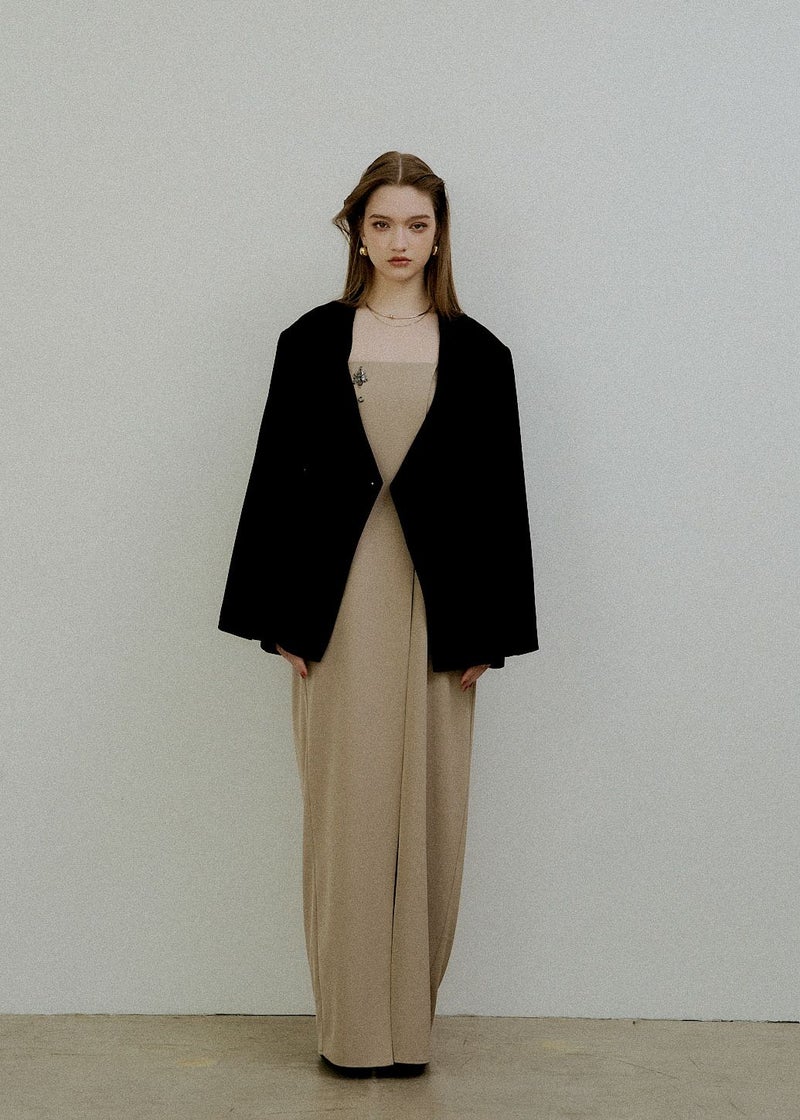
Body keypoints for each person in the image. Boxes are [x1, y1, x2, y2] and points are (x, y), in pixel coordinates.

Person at [219, 151, 538, 1076]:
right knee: (348, 818)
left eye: (418, 226)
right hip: (336, 603)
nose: (401, 242)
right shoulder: (310, 341)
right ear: (358, 233)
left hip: (446, 609)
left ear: (440, 237)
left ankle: (408, 1035)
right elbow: (275, 481)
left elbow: (500, 498)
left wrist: (492, 634)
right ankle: (351, 1035)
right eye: (383, 224)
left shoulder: (481, 354)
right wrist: (277, 617)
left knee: (431, 818)